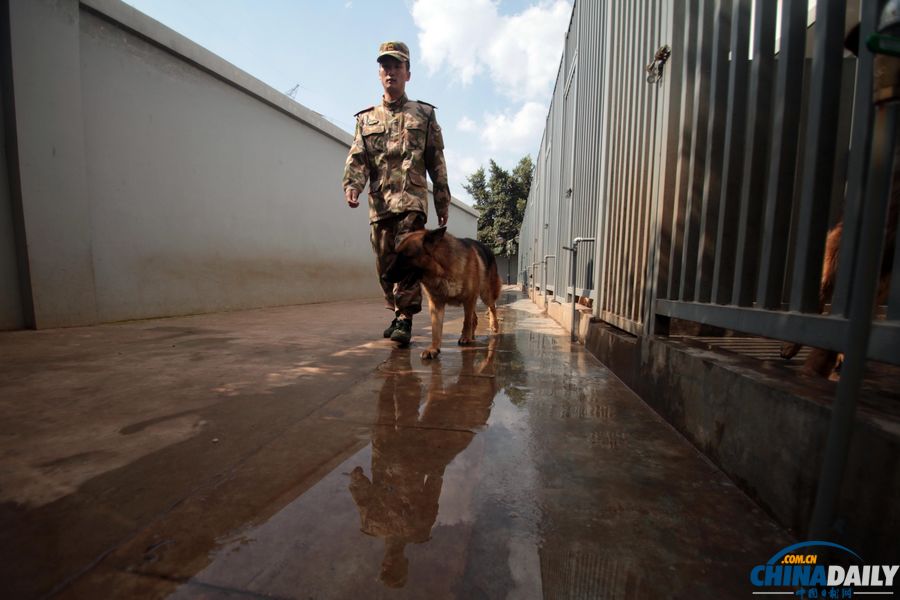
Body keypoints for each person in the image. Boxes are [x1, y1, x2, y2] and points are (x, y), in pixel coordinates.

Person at [342, 41, 451, 346]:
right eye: (385, 67)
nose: (391, 72)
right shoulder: (365, 120)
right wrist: (353, 185)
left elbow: (436, 161)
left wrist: (442, 200)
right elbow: (358, 157)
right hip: (380, 205)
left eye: (397, 66)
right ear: (379, 74)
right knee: (385, 265)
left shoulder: (424, 114)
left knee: (410, 260)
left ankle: (404, 318)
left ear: (408, 74)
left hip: (412, 201)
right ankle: (396, 311)